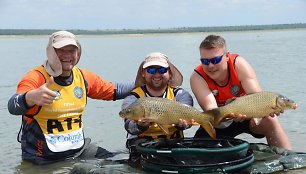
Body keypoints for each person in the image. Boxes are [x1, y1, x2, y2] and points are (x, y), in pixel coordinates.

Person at [7, 30, 134, 164]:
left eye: (71, 50)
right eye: (60, 50)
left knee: (125, 162)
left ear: (78, 53)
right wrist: (30, 97)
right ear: (50, 52)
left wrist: (144, 82)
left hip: (79, 152)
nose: (66, 55)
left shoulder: (82, 77)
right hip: (43, 159)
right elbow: (12, 106)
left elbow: (114, 91)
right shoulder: (37, 77)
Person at [190, 35, 291, 150]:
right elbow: (212, 112)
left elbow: (257, 99)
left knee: (271, 120)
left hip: (248, 115)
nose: (210, 66)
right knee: (197, 148)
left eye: (215, 60)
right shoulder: (197, 77)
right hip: (220, 122)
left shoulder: (239, 65)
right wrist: (231, 114)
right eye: (205, 61)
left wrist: (268, 110)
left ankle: (287, 158)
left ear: (227, 56)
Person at [121, 52, 193, 167]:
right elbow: (129, 126)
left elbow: (190, 119)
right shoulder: (133, 98)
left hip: (172, 143)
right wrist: (140, 126)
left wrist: (183, 125)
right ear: (143, 73)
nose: (157, 74)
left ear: (170, 73)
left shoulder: (181, 95)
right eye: (151, 70)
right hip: (142, 145)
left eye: (162, 70)